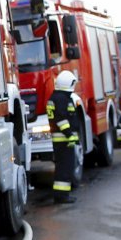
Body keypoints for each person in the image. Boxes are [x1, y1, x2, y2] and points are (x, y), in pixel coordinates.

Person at [47, 69, 81, 203]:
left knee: (63, 167)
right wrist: (69, 135)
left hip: (60, 139)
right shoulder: (61, 99)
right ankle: (62, 196)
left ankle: (62, 195)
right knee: (65, 168)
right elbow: (61, 119)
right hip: (64, 139)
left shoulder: (56, 97)